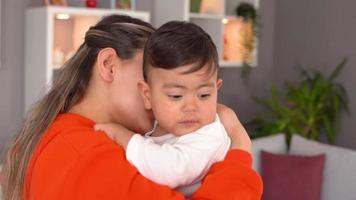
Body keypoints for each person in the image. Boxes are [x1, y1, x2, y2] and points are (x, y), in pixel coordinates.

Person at [2, 15, 262, 200]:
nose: (159, 101)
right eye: (149, 78)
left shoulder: (75, 139)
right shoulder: (82, 154)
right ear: (109, 65)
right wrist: (239, 154)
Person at [94, 21, 231, 197]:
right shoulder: (158, 126)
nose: (191, 107)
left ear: (216, 89)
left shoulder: (208, 135)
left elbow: (170, 170)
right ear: (148, 95)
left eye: (204, 95)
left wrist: (122, 136)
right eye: (175, 96)